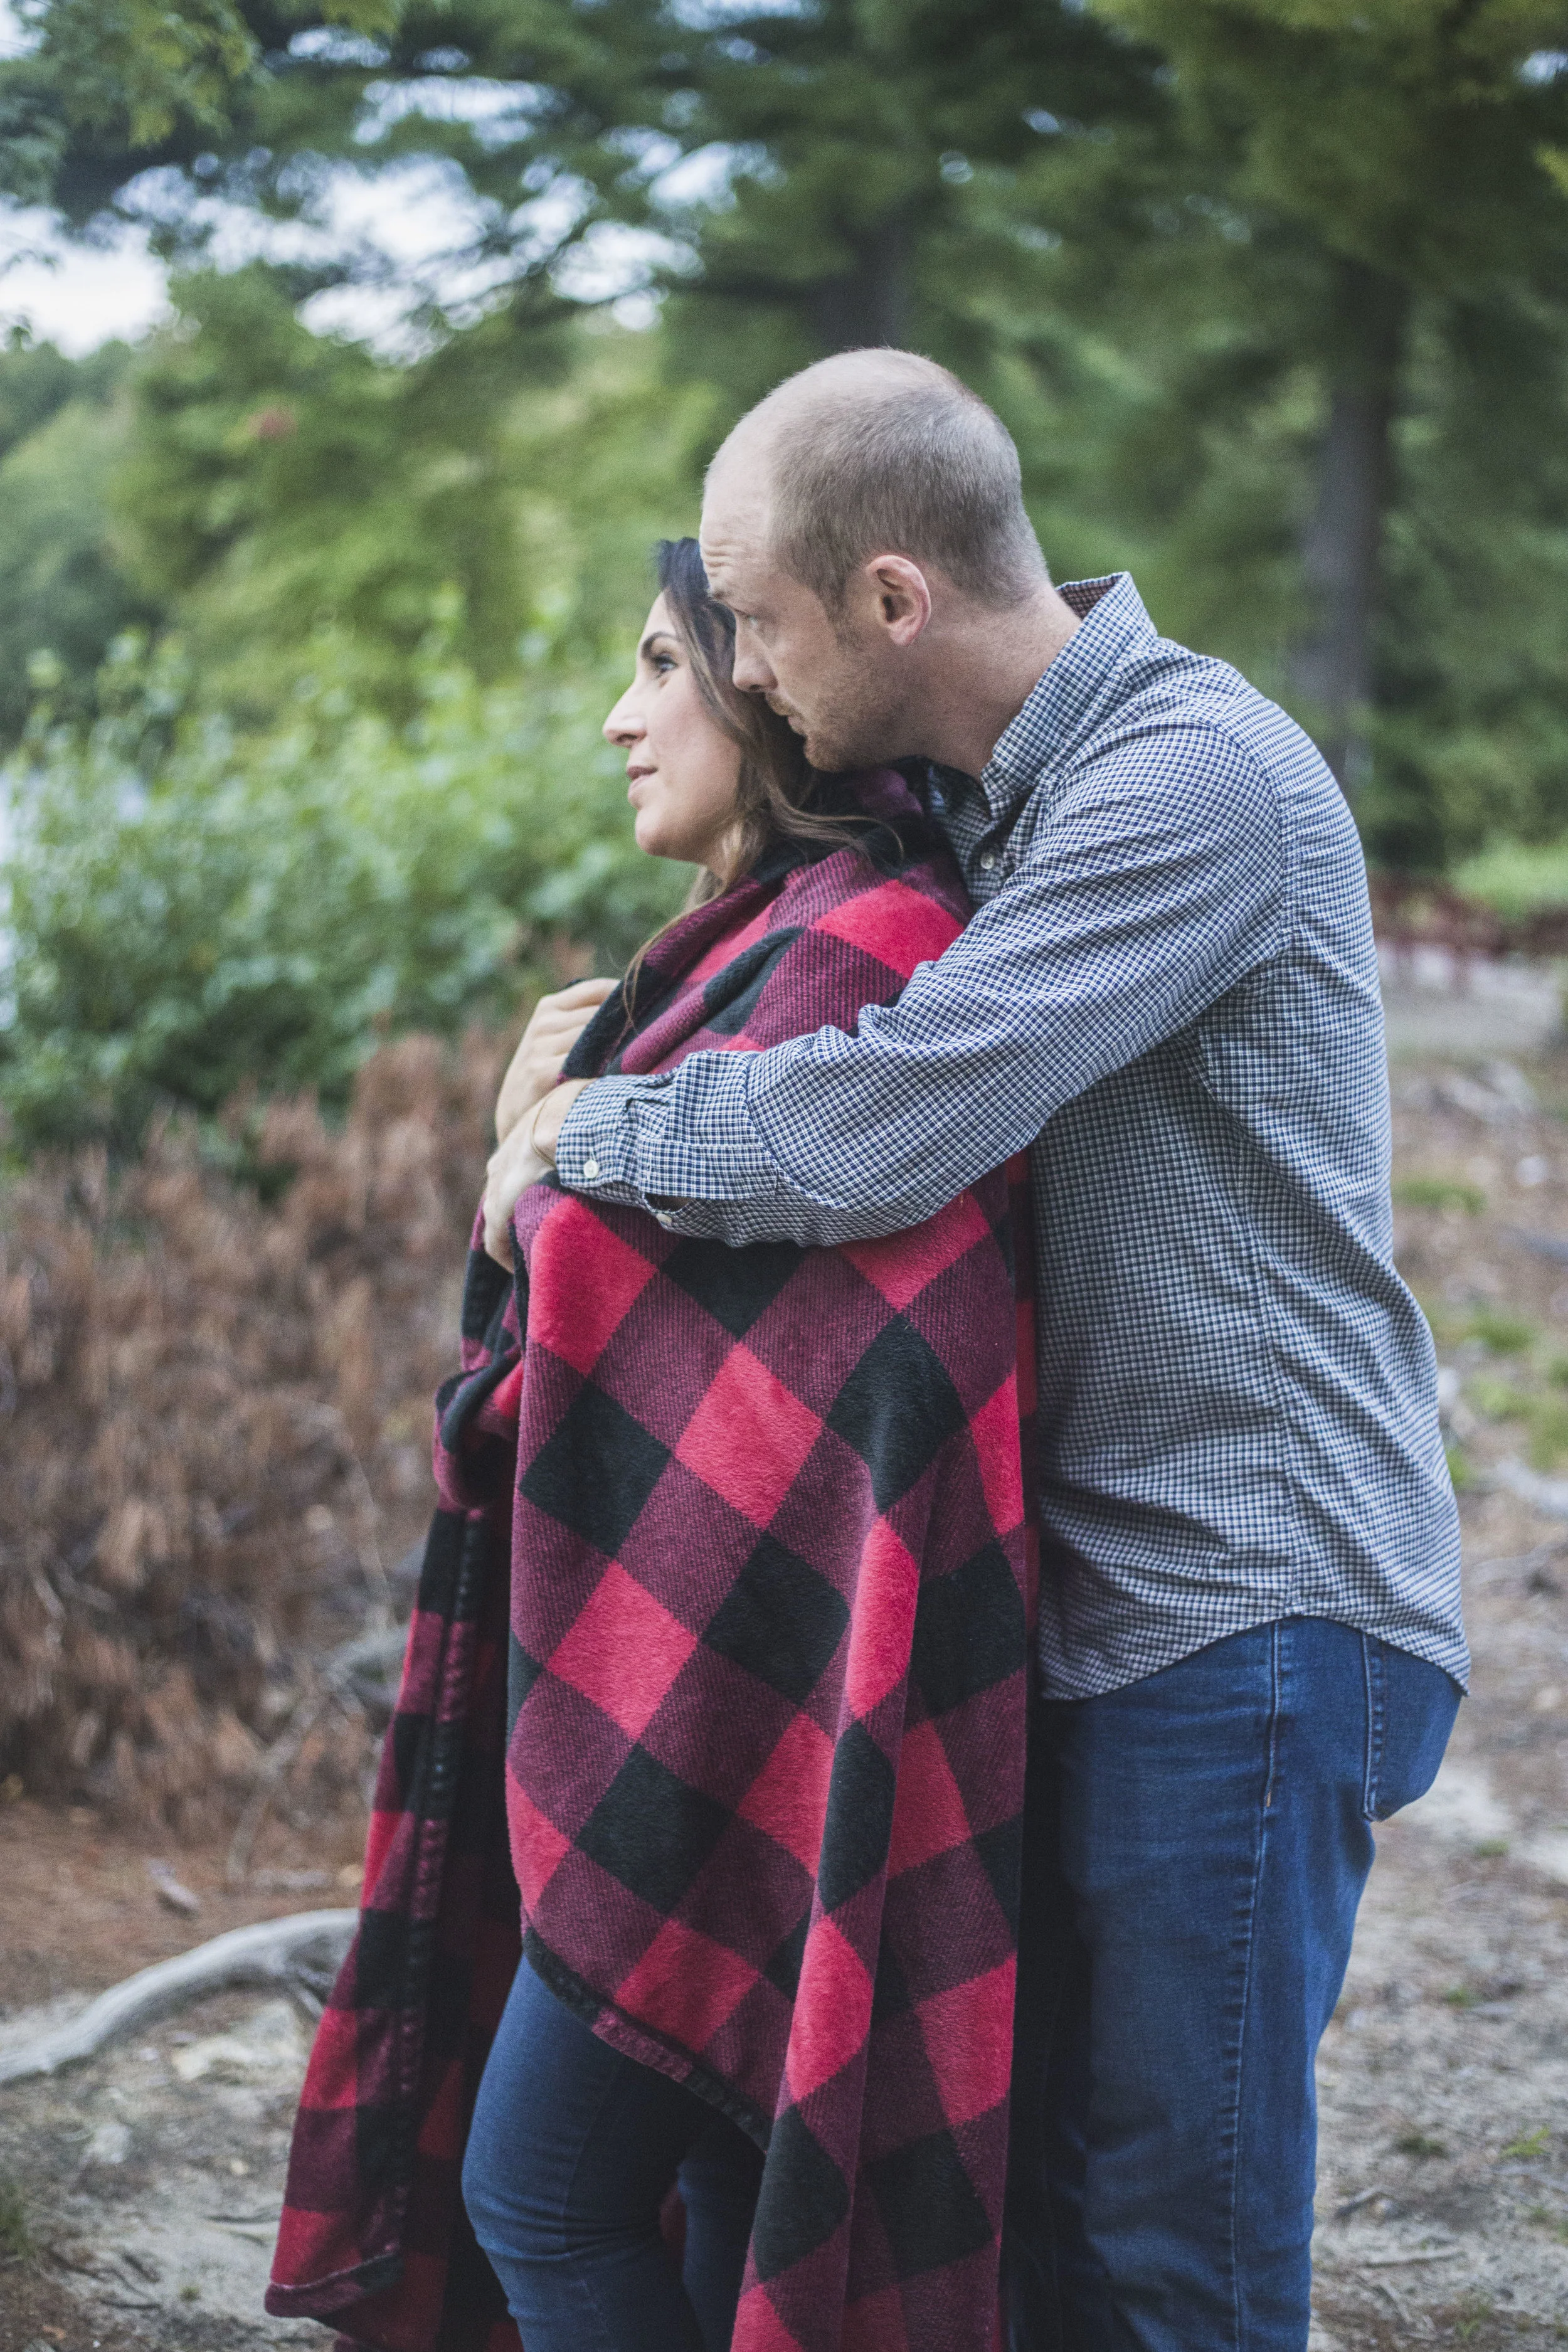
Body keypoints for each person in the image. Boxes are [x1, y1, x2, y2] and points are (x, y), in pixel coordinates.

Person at [495, 352, 1468, 2352]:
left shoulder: (1188, 781)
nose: (743, 678)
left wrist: (569, 1127)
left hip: (1249, 1616)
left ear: (888, 601)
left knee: (1162, 2265)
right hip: (1105, 1612)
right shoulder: (1005, 798)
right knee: (1033, 2247)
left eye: (754, 625)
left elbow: (881, 1123)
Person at [269, 536, 1036, 2352]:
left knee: (540, 2186)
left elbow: (886, 1356)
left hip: (768, 1705)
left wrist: (541, 1158)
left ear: (764, 692)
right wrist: (535, 1151)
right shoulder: (730, 959)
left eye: (660, 668)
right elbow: (572, 1332)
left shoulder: (869, 951)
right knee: (695, 2196)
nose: (619, 720)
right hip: (693, 1693)